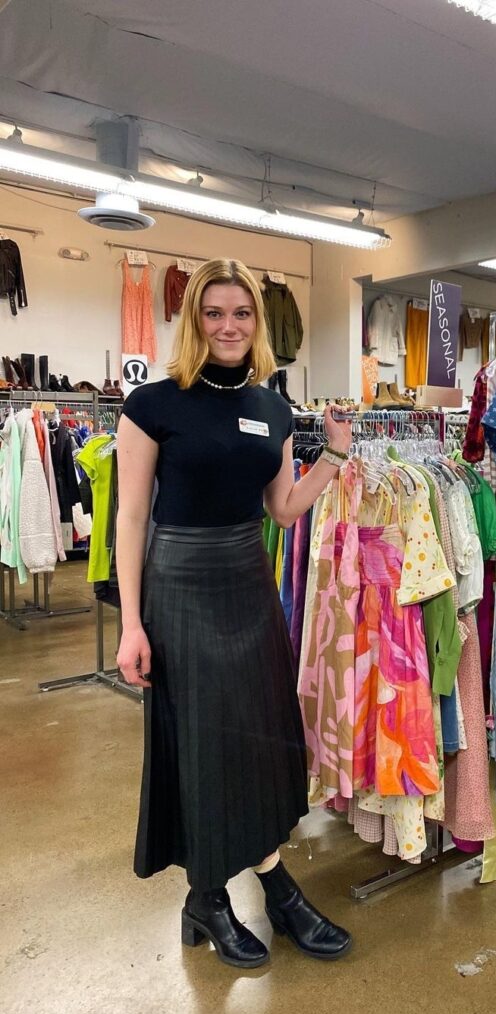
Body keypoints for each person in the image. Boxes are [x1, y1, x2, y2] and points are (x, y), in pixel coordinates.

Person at [116, 258, 353, 969]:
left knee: (258, 738)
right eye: (213, 313)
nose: (228, 326)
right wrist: (131, 622)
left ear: (257, 323)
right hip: (181, 580)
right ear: (194, 322)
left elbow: (281, 508)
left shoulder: (273, 408)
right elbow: (129, 517)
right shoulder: (154, 404)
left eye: (240, 313)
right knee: (203, 741)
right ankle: (224, 893)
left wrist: (332, 458)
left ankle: (251, 889)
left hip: (249, 579)